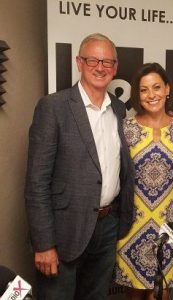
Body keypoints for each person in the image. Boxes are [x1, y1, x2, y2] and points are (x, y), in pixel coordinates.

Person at [24, 33, 134, 300]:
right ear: (79, 62)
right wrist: (44, 243)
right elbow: (36, 182)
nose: (100, 67)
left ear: (115, 68)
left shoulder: (119, 110)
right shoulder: (53, 107)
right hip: (63, 233)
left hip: (107, 228)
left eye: (107, 62)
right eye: (92, 60)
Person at [115, 62, 173, 300]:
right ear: (137, 94)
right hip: (133, 225)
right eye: (144, 90)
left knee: (162, 292)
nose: (151, 95)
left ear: (167, 89)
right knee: (134, 293)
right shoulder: (125, 129)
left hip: (169, 225)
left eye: (156, 87)